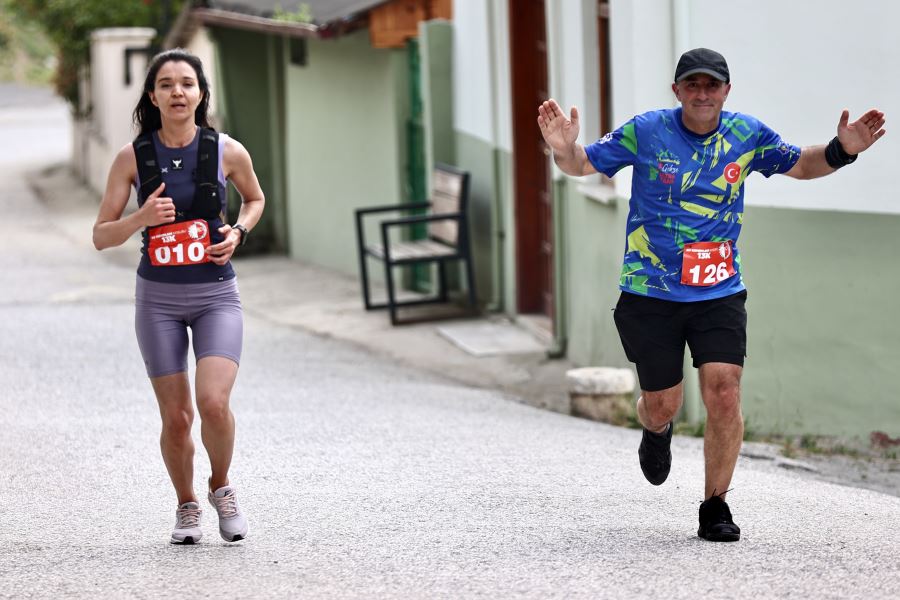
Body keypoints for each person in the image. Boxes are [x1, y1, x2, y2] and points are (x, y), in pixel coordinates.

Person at [537, 48, 885, 541]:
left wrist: (842, 149)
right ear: (676, 90)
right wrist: (563, 149)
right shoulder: (648, 130)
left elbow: (802, 165)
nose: (703, 93)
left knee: (724, 391)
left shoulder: (747, 135)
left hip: (718, 289)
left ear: (726, 90)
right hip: (650, 291)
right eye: (692, 85)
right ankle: (654, 427)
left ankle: (715, 506)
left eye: (712, 85)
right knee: (664, 402)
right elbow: (583, 163)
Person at [93, 49, 265, 544]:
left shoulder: (227, 151)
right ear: (152, 96)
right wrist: (139, 219)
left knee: (212, 403)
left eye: (186, 84)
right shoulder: (132, 157)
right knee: (177, 416)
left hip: (216, 295)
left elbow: (255, 199)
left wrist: (237, 232)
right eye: (166, 84)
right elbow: (102, 235)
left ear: (201, 94)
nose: (177, 92)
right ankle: (186, 504)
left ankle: (220, 486)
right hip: (158, 301)